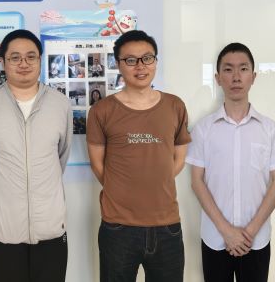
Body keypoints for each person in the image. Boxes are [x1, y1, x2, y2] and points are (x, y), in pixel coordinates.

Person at [0, 29, 72, 282]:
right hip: (4, 226)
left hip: (50, 225)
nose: (23, 63)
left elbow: (62, 154)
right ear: (3, 62)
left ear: (40, 60)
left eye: (30, 57)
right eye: (15, 57)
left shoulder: (60, 104)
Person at [87, 30, 190, 282]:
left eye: (147, 58)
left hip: (167, 226)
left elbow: (178, 158)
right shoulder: (102, 110)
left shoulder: (175, 106)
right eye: (131, 60)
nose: (140, 66)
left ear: (155, 61)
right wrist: (122, 188)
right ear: (118, 64)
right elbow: (98, 164)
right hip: (118, 227)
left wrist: (157, 180)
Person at [187, 43, 275, 282]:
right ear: (218, 78)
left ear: (253, 77)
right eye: (228, 69)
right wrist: (227, 231)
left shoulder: (269, 129)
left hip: (256, 239)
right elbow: (196, 182)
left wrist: (249, 232)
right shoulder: (204, 129)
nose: (236, 77)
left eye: (243, 69)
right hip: (215, 238)